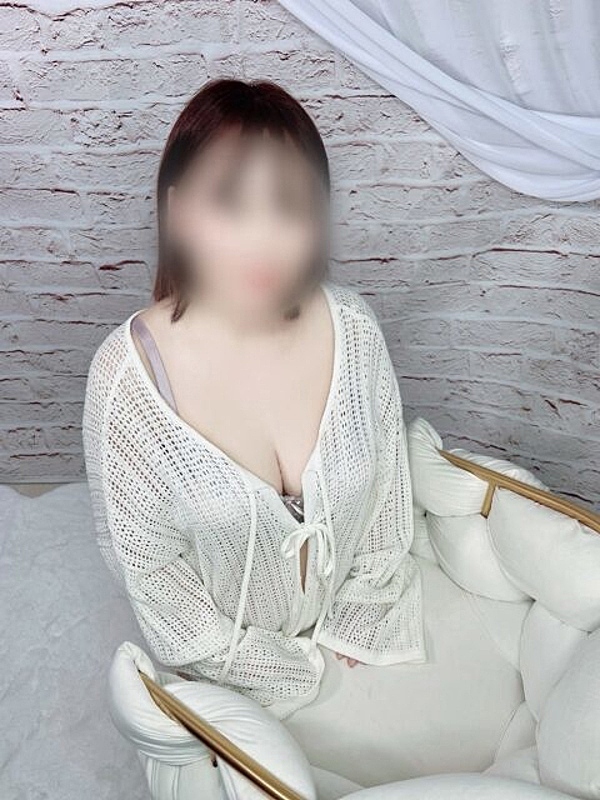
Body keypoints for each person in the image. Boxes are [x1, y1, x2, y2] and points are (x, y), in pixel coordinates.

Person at [82, 78, 425, 722]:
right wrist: (281, 670)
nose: (264, 237)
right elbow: (156, 582)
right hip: (235, 689)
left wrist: (360, 611)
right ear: (178, 212)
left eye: (290, 205)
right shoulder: (128, 382)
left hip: (366, 655)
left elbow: (385, 487)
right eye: (230, 202)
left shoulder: (352, 326)